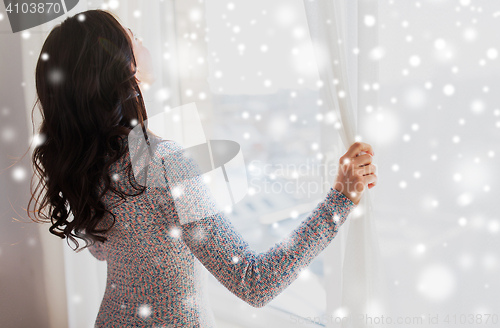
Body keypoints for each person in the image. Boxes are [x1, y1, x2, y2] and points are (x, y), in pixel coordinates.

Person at [27, 9, 377, 328]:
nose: (139, 35)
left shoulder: (83, 163)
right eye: (130, 34)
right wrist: (340, 200)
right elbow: (253, 282)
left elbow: (106, 250)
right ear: (119, 65)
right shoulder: (161, 161)